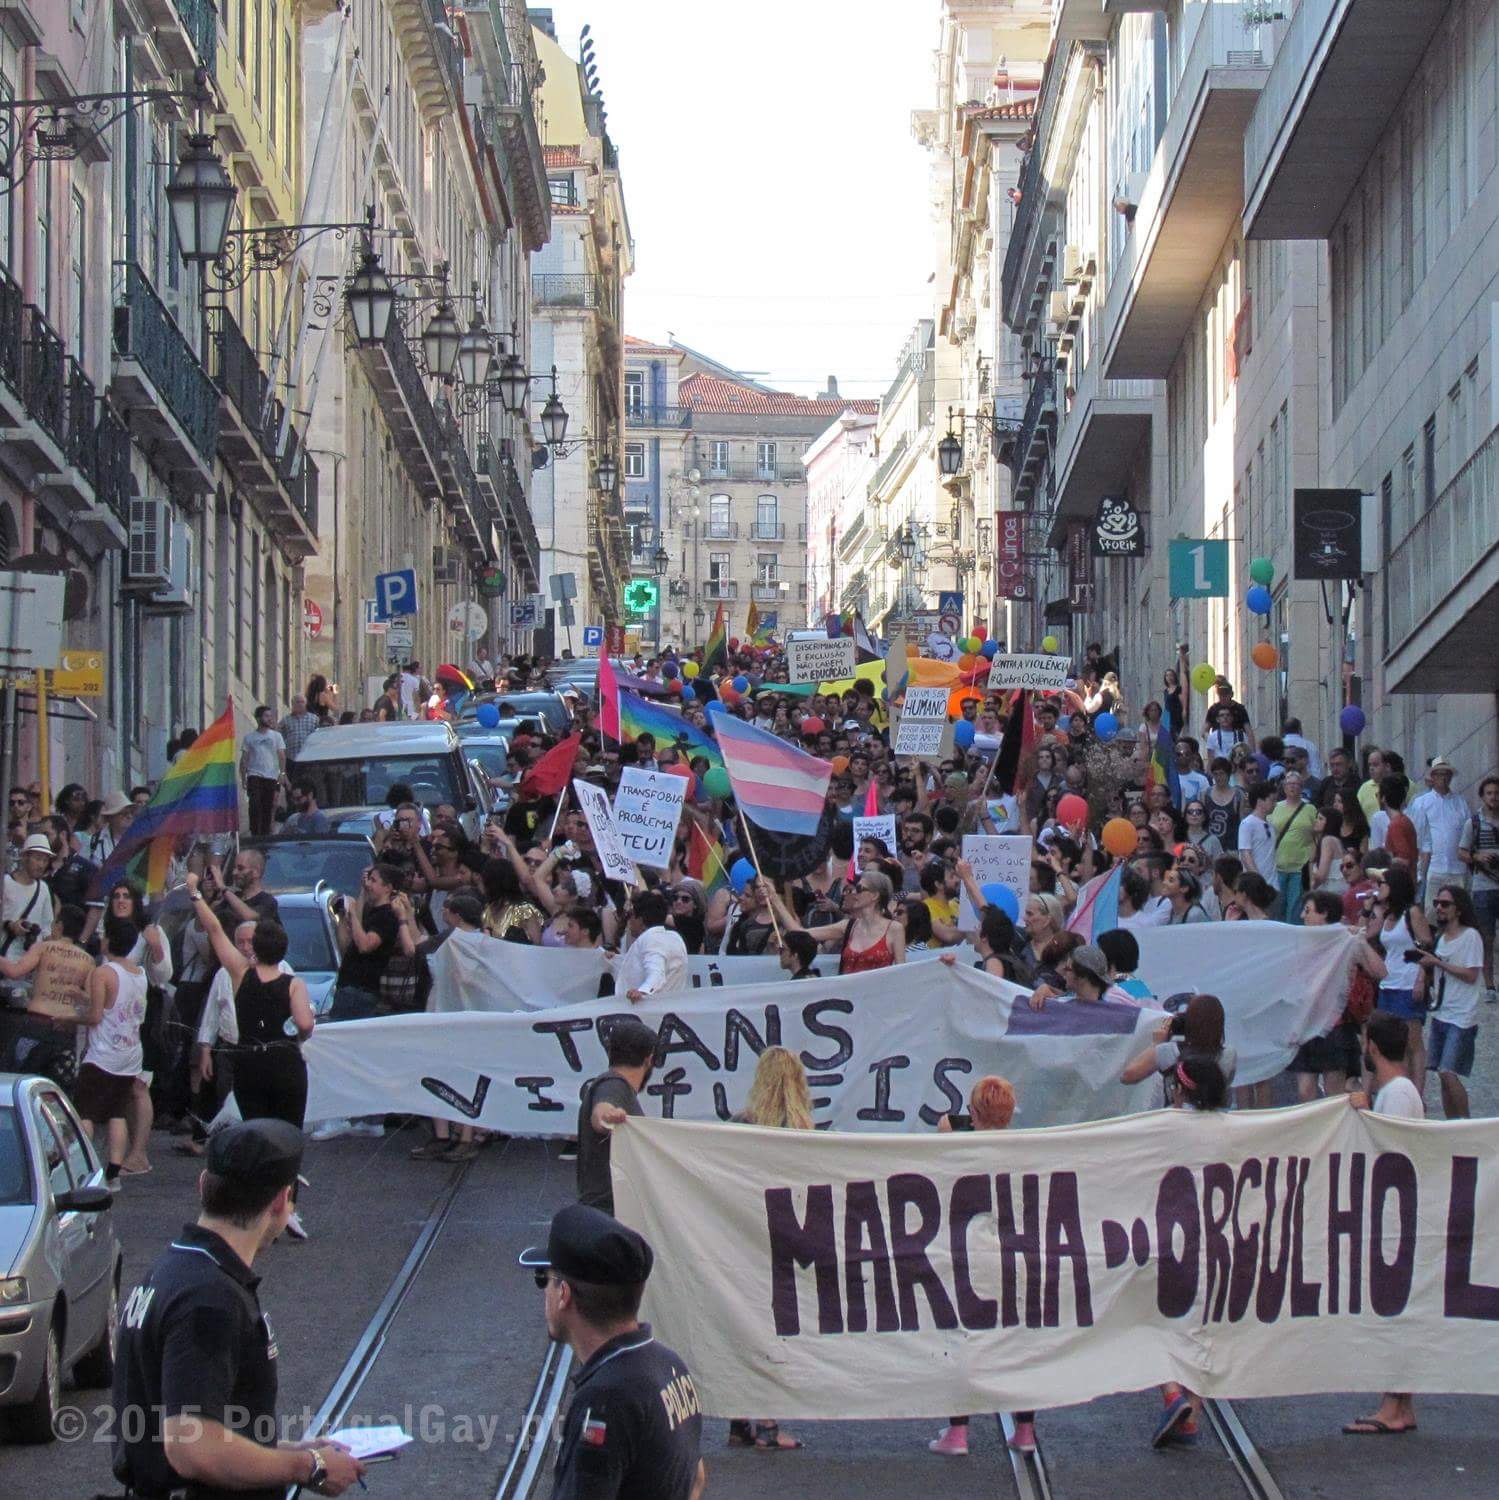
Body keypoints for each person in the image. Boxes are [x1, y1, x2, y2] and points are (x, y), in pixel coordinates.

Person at [111, 1118, 365, 1496]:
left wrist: (297, 1453)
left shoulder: (172, 1271)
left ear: (203, 1185)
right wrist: (308, 1467)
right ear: (281, 1201)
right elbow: (192, 1448)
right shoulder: (210, 1299)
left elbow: (213, 1429)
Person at [523, 1204, 705, 1500]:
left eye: (543, 1278)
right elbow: (696, 1479)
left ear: (564, 1294)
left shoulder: (604, 1401)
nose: (544, 1291)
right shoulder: (670, 1365)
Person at [927, 1075, 1035, 1456]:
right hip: (1015, 1256)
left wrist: (959, 1125)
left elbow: (943, 1129)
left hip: (970, 1258)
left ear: (972, 1112)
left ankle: (958, 1433)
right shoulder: (1027, 1150)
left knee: (963, 1339)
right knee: (1019, 1343)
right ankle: (1025, 1431)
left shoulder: (959, 1145)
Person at [1342, 1011, 1424, 1438]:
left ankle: (1394, 1405)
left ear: (1372, 1046)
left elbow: (1391, 1150)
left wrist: (1367, 1116)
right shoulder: (1395, 1092)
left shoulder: (1398, 1093)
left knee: (1394, 1311)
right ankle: (1399, 1403)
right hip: (1397, 1216)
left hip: (1395, 1220)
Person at [727, 1047, 812, 1451]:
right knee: (774, 1332)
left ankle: (739, 1420)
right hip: (781, 1242)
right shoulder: (802, 1132)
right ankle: (768, 1425)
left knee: (741, 1327)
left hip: (741, 1238)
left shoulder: (739, 1126)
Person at [75, 914, 148, 1185]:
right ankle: (114, 1172)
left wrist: (69, 1018)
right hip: (129, 1055)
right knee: (117, 1112)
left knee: (85, 1112)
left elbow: (95, 1016)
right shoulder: (140, 974)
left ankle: (83, 1168)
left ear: (109, 941)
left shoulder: (103, 973)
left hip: (102, 1053)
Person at [576, 1017, 657, 1213]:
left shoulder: (613, 1083)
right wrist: (606, 1117)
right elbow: (602, 1111)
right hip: (611, 1211)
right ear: (649, 1059)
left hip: (607, 1209)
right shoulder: (614, 1085)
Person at [1369, 866, 1434, 1096]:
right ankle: (1398, 1089)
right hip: (1388, 983)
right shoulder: (1387, 914)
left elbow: (1427, 946)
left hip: (1408, 982)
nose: (1378, 888)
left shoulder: (1412, 913)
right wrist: (1370, 907)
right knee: (1392, 1042)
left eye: (1382, 884)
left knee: (1412, 1043)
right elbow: (1367, 933)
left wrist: (1421, 978)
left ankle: (1417, 1093)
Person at [1420, 883, 1484, 1119]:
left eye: (1445, 904)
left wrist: (1438, 963)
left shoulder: (1471, 937)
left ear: (1459, 909)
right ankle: (1451, 1125)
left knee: (1449, 1072)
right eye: (1437, 903)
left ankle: (1464, 1123)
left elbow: (1471, 974)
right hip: (1441, 1012)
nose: (1439, 907)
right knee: (1441, 1074)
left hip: (1462, 1015)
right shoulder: (1441, 938)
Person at [1458, 773, 1499, 999]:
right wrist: (1477, 857)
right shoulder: (1473, 823)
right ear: (1483, 796)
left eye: (1497, 793)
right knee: (1487, 939)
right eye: (1489, 793)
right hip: (1483, 887)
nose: (1494, 797)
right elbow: (1461, 852)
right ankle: (1490, 986)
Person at [2, 832, 55, 1000]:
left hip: (29, 965)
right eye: (37, 859)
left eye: (45, 860)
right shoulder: (5, 883)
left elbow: (47, 928)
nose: (41, 865)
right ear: (25, 857)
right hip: (5, 959)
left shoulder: (43, 888)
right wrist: (10, 925)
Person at [1409, 756, 1468, 901]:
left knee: (1458, 907)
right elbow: (1416, 836)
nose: (1443, 778)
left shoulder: (1461, 803)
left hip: (1457, 868)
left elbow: (1467, 833)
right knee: (1432, 908)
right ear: (1433, 776)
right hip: (1433, 867)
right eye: (1440, 774)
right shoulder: (1421, 803)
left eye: (1447, 774)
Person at [613, 890, 690, 1002]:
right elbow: (640, 965)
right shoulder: (676, 938)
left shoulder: (651, 938)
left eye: (631, 915)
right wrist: (614, 959)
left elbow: (657, 974)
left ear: (640, 920)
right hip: (672, 1006)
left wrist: (642, 992)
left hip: (646, 1009)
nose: (629, 920)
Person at [1268, 772, 1317, 921]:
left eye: (1297, 784)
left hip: (1301, 867)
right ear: (1284, 787)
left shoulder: (1310, 809)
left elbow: (1316, 835)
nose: (1293, 787)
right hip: (1278, 866)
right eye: (1290, 784)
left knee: (1296, 910)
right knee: (1277, 908)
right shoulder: (1274, 807)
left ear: (1302, 788)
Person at [239, 705, 287, 836]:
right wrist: (243, 777)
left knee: (268, 805)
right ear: (258, 718)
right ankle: (254, 832)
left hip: (271, 776)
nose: (270, 719)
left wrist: (282, 773)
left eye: (271, 716)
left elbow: (281, 756)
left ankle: (265, 834)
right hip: (254, 774)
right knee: (254, 804)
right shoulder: (249, 738)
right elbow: (244, 758)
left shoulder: (276, 736)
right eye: (266, 716)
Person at [1236, 780, 1279, 882]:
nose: (1275, 804)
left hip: (1273, 883)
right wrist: (1258, 880)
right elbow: (1245, 854)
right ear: (1260, 801)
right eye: (1272, 800)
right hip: (1255, 884)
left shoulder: (1270, 826)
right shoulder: (1247, 824)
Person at [278, 694, 321, 763]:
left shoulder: (314, 719)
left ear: (306, 704)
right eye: (298, 702)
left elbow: (319, 737)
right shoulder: (285, 720)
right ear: (292, 704)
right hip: (291, 758)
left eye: (302, 702)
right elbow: (280, 739)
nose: (300, 704)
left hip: (309, 758)